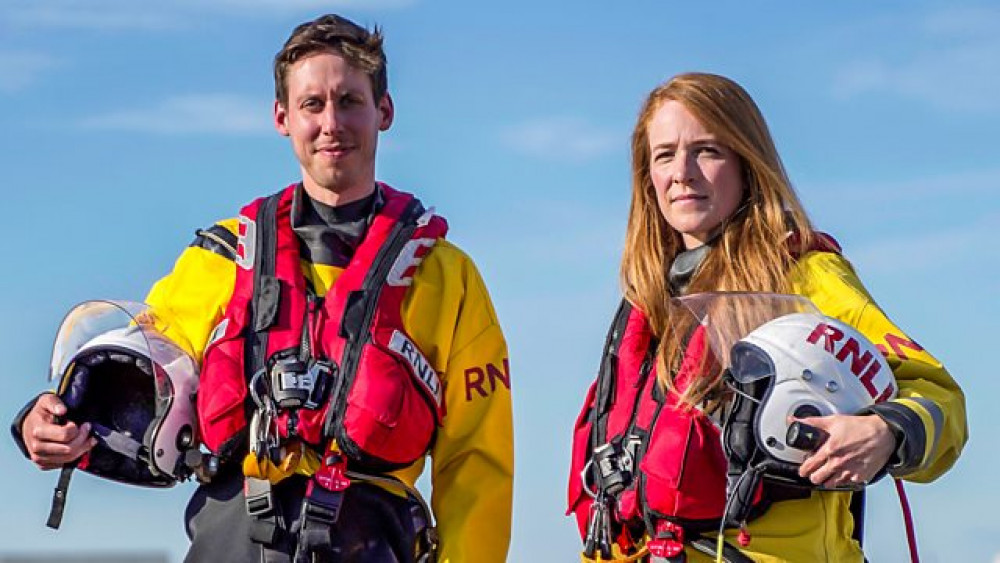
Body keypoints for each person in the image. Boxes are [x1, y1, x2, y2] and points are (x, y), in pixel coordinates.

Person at [11, 14, 513, 563]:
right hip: (232, 537)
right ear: (282, 117)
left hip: (370, 540)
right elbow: (142, 362)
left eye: (349, 101)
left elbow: (478, 463)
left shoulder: (447, 276)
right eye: (312, 105)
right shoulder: (224, 256)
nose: (331, 123)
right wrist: (46, 419)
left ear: (383, 112)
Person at [567, 73, 966, 562]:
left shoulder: (804, 278)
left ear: (746, 162)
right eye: (665, 154)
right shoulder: (647, 305)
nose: (682, 172)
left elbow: (941, 400)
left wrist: (885, 432)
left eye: (707, 150)